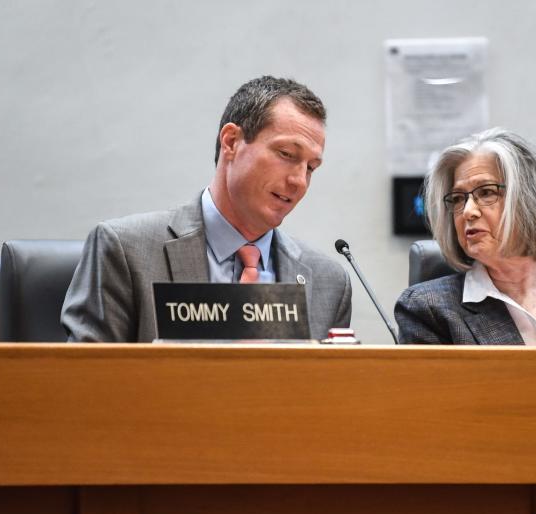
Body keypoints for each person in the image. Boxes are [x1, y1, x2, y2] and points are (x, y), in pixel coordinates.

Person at [61, 76, 352, 341]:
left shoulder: (328, 281)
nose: (299, 181)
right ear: (231, 142)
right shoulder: (126, 251)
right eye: (287, 154)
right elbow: (87, 383)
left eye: (311, 168)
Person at [394, 128, 536, 345]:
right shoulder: (428, 310)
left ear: (530, 199)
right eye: (457, 199)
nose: (467, 211)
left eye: (486, 193)